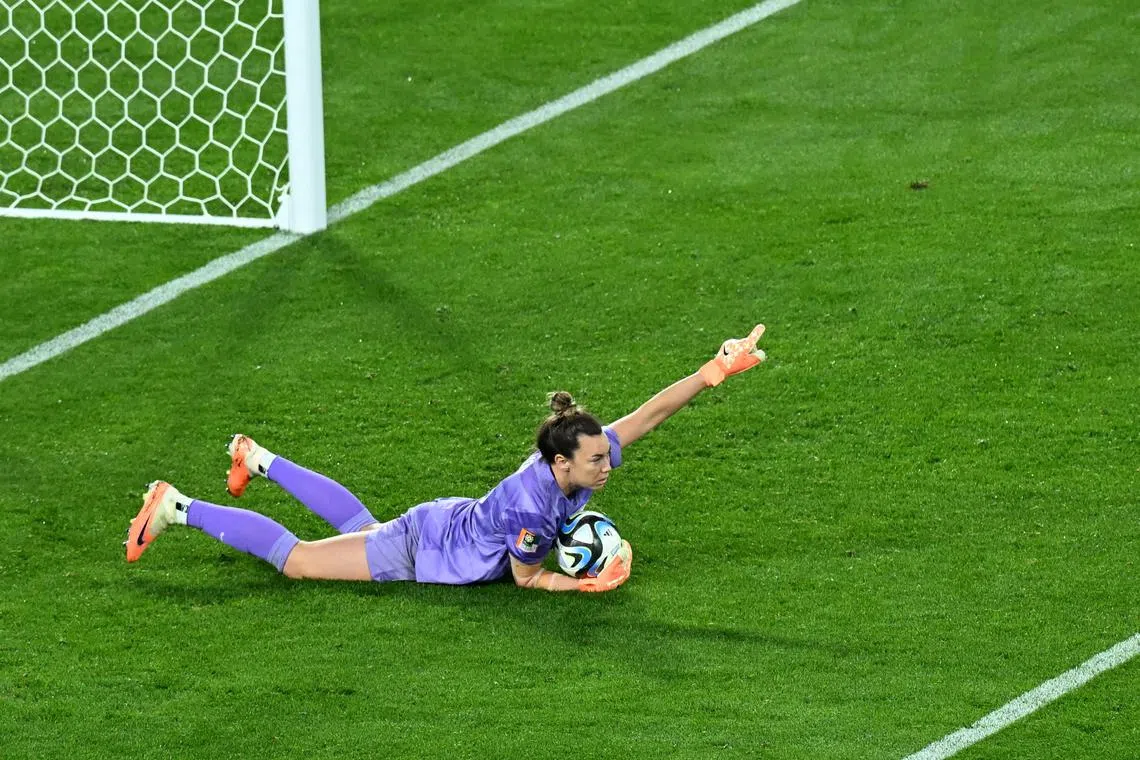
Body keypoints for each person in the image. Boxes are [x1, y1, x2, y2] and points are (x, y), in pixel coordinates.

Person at [125, 324, 767, 592]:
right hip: (422, 550)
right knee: (298, 562)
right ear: (563, 464)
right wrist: (582, 583)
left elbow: (648, 416)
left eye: (605, 457)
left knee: (360, 527)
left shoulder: (569, 460)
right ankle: (177, 507)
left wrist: (713, 370)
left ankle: (257, 458)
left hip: (440, 524)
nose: (608, 466)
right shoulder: (534, 507)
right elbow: (526, 578)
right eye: (598, 460)